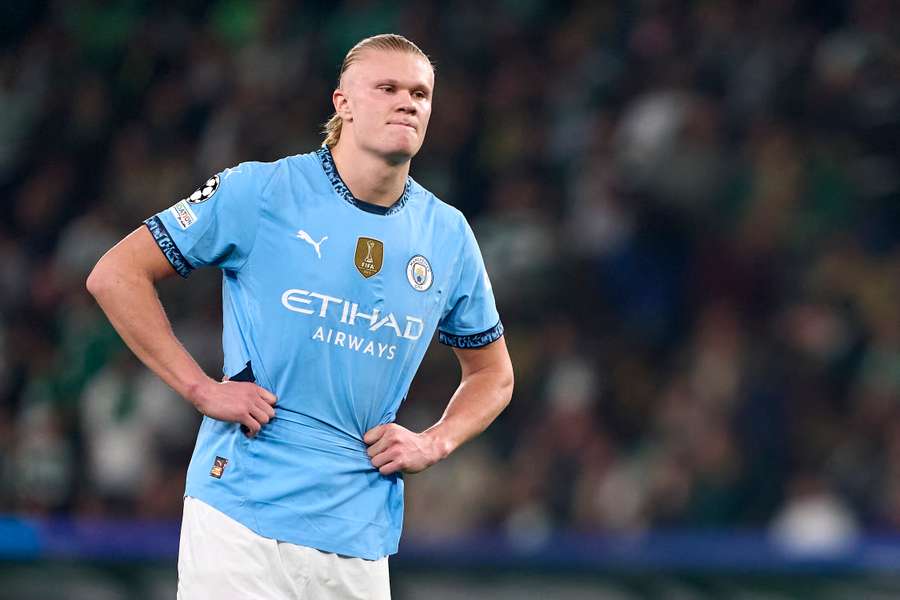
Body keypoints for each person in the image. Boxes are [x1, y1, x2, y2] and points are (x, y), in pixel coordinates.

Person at [86, 33, 514, 599]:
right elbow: (116, 274)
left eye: (420, 93)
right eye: (386, 88)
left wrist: (435, 441)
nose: (407, 102)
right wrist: (199, 388)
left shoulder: (448, 235)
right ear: (344, 103)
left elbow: (493, 374)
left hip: (358, 532)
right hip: (240, 514)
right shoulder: (261, 191)